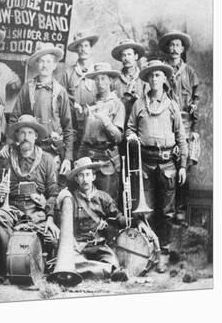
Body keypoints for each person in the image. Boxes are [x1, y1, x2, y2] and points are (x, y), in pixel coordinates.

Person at [125, 60, 188, 271]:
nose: (154, 79)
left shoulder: (172, 106)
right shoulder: (138, 105)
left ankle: (164, 252)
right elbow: (129, 129)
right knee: (147, 211)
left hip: (168, 165)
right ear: (147, 79)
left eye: (158, 75)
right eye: (151, 76)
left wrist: (183, 166)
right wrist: (132, 136)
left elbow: (181, 137)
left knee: (167, 212)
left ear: (164, 79)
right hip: (145, 165)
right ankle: (148, 252)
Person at [48, 157, 154, 281]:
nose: (85, 179)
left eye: (88, 175)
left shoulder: (104, 198)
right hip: (78, 246)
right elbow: (64, 226)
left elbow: (119, 218)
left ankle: (101, 269)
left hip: (99, 246)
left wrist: (137, 221)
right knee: (71, 262)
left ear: (93, 177)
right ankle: (107, 271)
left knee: (113, 261)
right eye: (81, 176)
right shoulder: (70, 199)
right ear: (76, 179)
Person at [0, 115, 59, 282]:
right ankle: (10, 264)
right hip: (12, 208)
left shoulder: (47, 160)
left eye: (30, 132)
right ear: (16, 137)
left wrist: (49, 216)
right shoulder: (5, 159)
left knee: (53, 237)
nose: (26, 136)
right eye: (22, 133)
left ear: (36, 137)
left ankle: (40, 268)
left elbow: (54, 193)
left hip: (37, 211)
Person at [11, 43, 74, 177]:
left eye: (48, 61)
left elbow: (68, 127)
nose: (45, 65)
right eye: (41, 61)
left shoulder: (61, 92)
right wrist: (12, 144)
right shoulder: (27, 88)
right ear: (36, 64)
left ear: (55, 65)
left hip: (53, 150)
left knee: (52, 189)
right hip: (30, 150)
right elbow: (14, 118)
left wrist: (68, 158)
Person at [159, 30, 200, 219]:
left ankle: (181, 209)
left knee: (185, 165)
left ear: (182, 48)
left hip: (185, 124)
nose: (174, 49)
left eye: (178, 45)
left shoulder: (189, 72)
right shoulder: (162, 71)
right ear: (168, 48)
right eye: (172, 45)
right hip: (166, 123)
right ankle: (167, 210)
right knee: (168, 167)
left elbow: (197, 97)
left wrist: (194, 106)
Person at [78, 62, 125, 203]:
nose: (100, 82)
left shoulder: (117, 105)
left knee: (107, 203)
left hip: (107, 161)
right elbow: (84, 138)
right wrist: (79, 160)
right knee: (88, 203)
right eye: (97, 79)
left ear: (111, 80)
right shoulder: (91, 105)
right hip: (89, 160)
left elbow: (118, 138)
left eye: (103, 78)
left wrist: (105, 120)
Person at [60, 32, 99, 156]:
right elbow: (61, 98)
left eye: (86, 46)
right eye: (80, 46)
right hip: (73, 123)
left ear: (91, 48)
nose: (83, 49)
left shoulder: (99, 71)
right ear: (76, 49)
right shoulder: (69, 73)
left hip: (94, 123)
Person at [111, 39, 147, 126]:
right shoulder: (115, 81)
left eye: (129, 54)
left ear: (136, 56)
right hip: (120, 125)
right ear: (121, 58)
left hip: (140, 124)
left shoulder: (144, 79)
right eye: (123, 55)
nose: (126, 58)